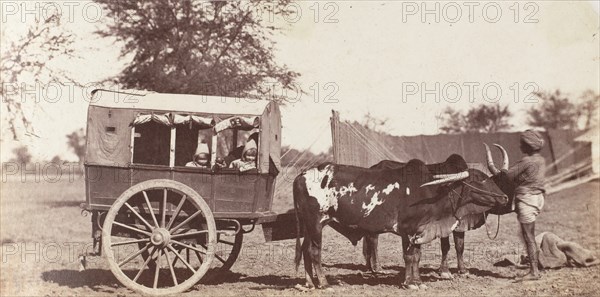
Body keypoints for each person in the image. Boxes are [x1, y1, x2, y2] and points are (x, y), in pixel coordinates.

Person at [506, 129, 546, 281]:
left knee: (528, 236)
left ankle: (534, 271)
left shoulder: (526, 161)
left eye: (522, 143)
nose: (520, 145)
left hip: (527, 199)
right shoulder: (541, 160)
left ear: (528, 146)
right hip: (538, 198)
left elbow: (508, 176)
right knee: (528, 235)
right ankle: (534, 265)